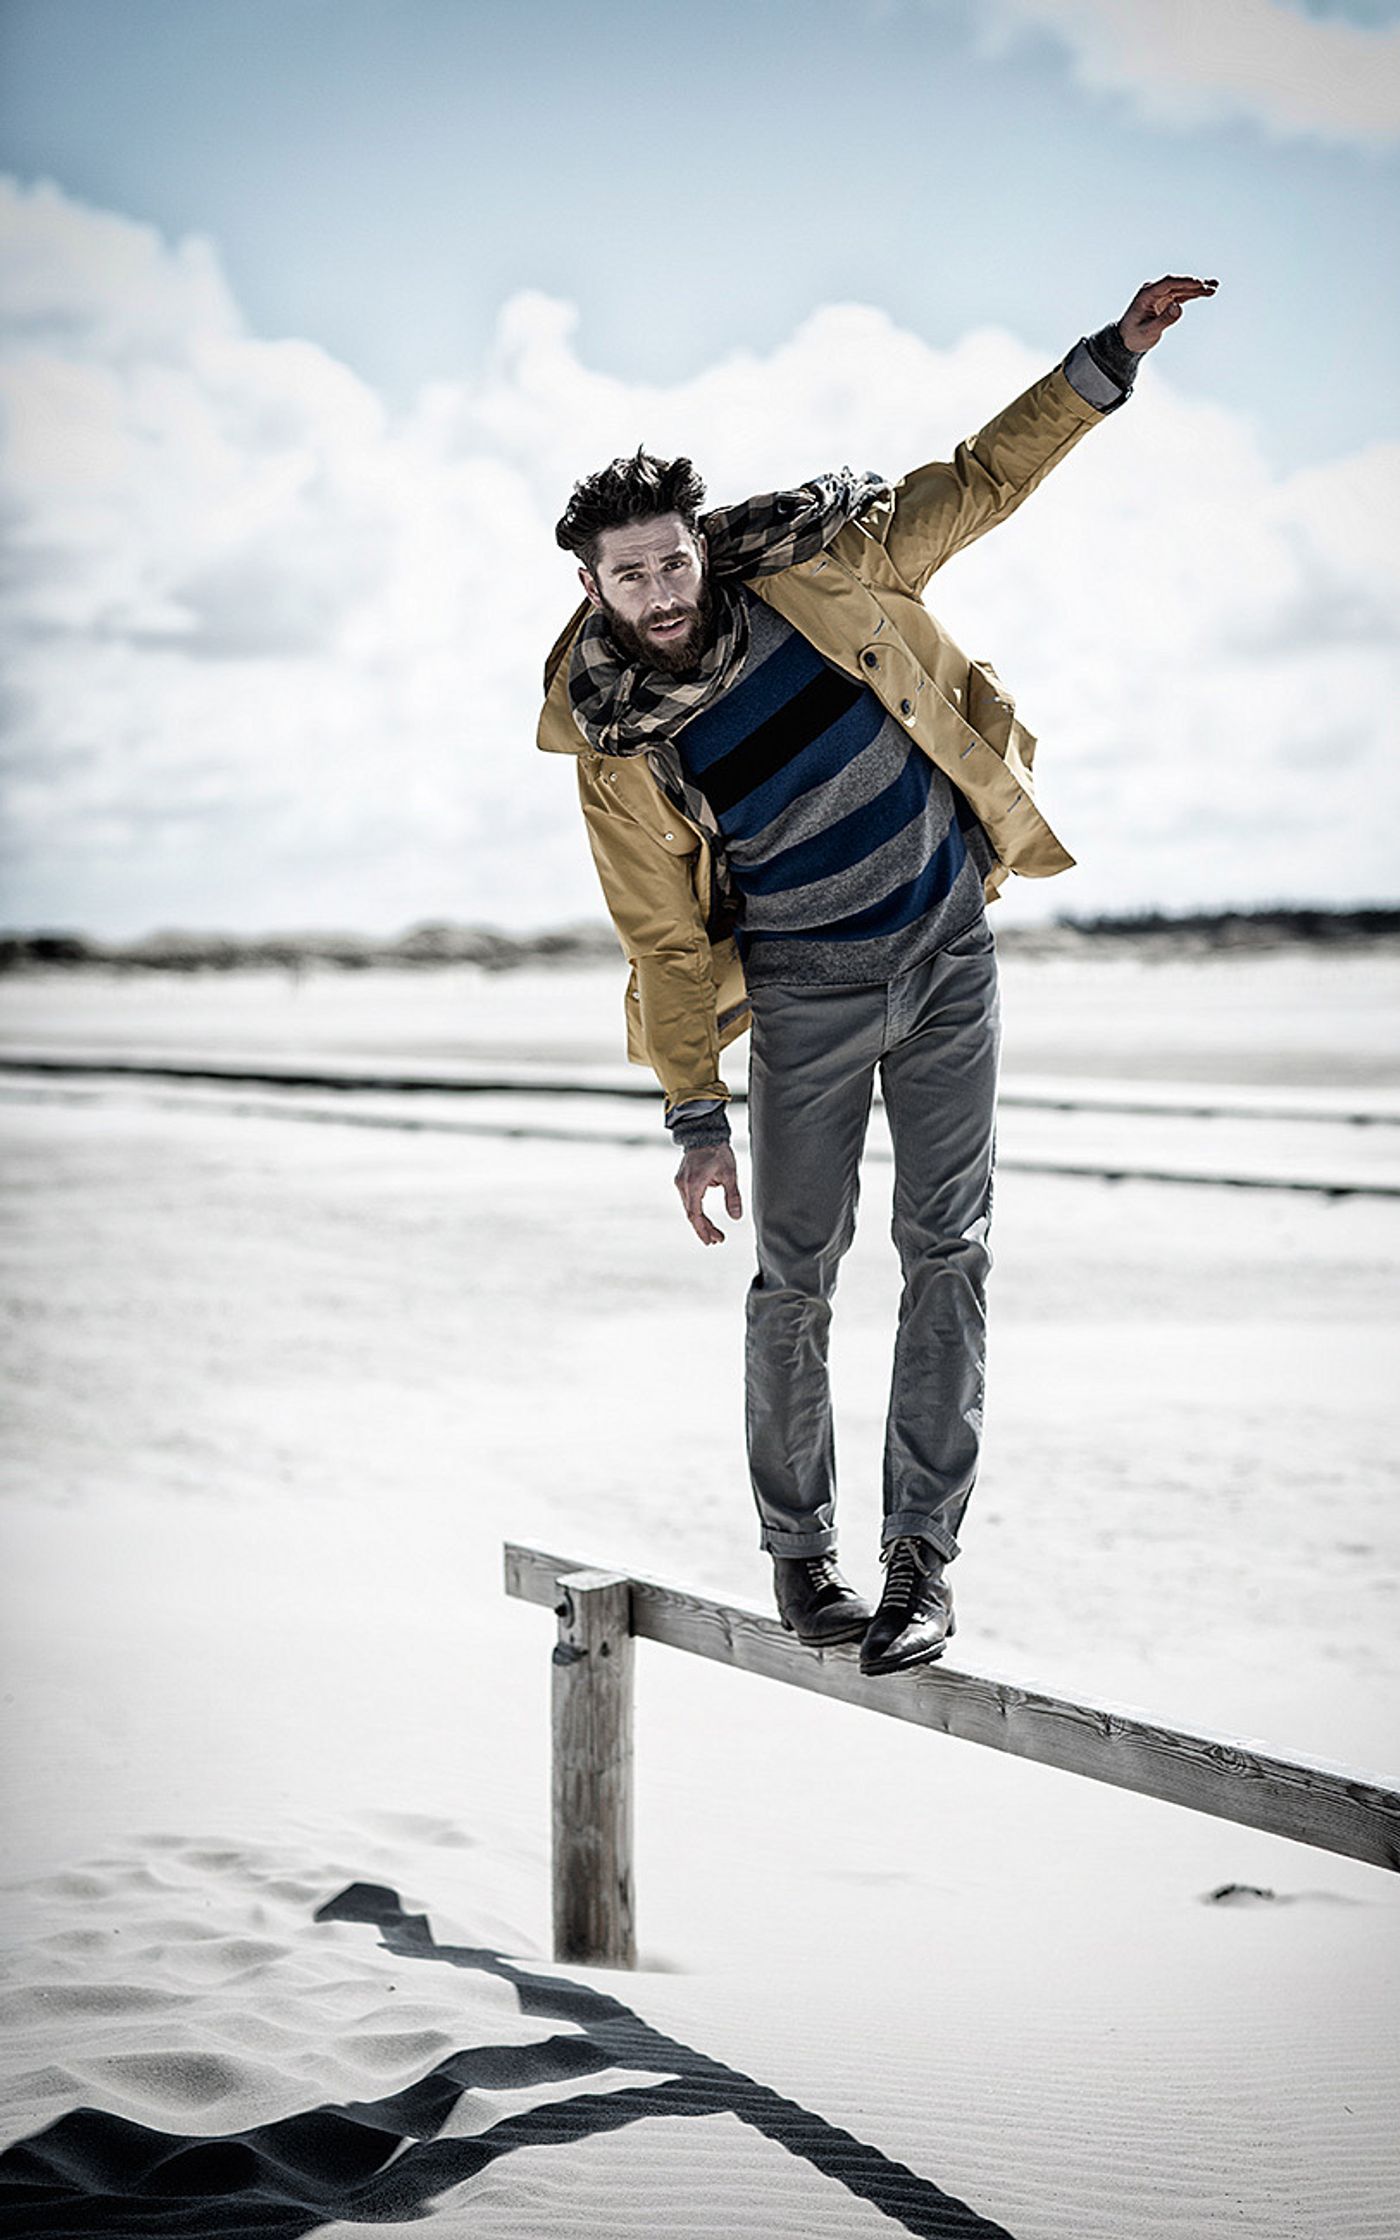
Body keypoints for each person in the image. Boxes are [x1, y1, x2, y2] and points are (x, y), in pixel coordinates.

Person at [538, 276, 1216, 1675]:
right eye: (629, 576)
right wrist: (690, 1117)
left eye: (672, 563)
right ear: (590, 586)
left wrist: (1107, 361)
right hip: (805, 996)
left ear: (698, 552)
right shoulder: (617, 749)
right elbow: (662, 942)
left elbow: (980, 480)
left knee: (948, 1254)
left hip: (948, 953)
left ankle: (923, 1563)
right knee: (796, 1277)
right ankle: (802, 1565)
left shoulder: (823, 571)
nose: (659, 595)